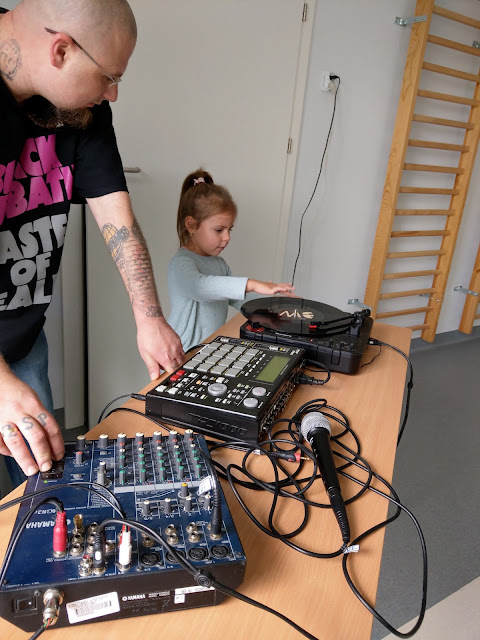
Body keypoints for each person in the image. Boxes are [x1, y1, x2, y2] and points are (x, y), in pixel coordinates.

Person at [0, 0, 185, 488]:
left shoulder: (82, 109)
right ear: (61, 51)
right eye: (109, 77)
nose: (113, 93)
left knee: (40, 491)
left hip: (22, 339)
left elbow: (116, 219)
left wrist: (149, 318)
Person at [168, 168, 295, 352]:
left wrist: (276, 304)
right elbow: (201, 287)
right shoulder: (181, 263)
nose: (227, 237)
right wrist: (252, 283)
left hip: (207, 350)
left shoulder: (219, 264)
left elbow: (239, 298)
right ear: (191, 225)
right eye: (219, 230)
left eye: (230, 229)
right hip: (181, 354)